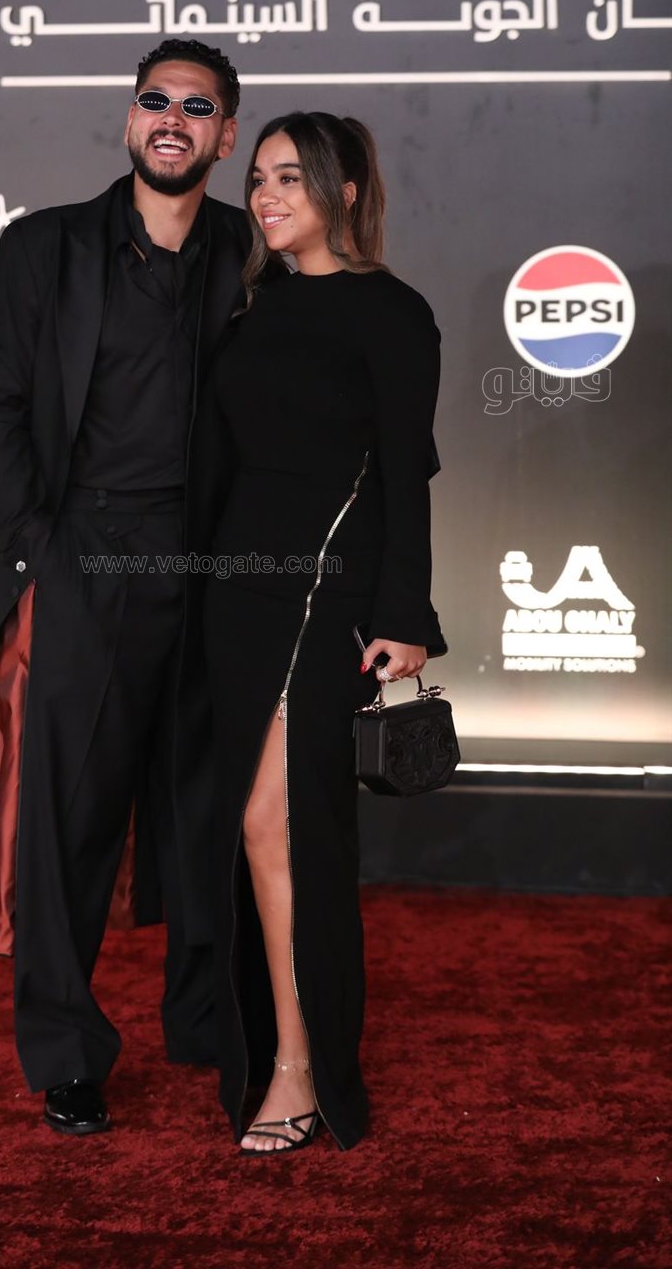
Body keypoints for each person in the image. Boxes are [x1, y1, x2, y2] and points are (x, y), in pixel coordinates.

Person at [0, 39, 250, 1136]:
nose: (172, 120)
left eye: (196, 108)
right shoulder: (46, 247)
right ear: (128, 120)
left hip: (212, 567)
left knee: (208, 812)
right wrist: (39, 543)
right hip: (83, 563)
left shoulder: (249, 253)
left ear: (225, 135)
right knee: (66, 824)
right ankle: (65, 1048)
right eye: (155, 100)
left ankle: (204, 1021)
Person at [187, 111, 446, 1154]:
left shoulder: (393, 312)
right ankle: (271, 1046)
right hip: (238, 589)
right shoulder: (253, 310)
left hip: (324, 593)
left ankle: (303, 1067)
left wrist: (405, 615)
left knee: (281, 824)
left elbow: (406, 473)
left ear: (343, 190)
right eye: (258, 177)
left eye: (291, 177)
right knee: (254, 827)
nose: (266, 194)